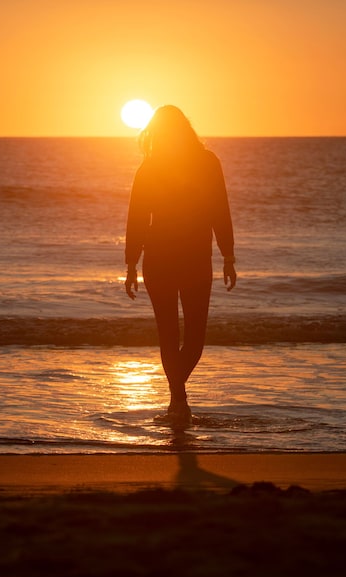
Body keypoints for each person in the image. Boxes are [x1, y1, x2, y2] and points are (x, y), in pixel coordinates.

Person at [124, 105, 236, 426]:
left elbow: (218, 209)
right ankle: (179, 401)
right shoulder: (197, 163)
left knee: (176, 337)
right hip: (184, 258)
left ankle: (177, 399)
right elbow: (137, 217)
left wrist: (132, 264)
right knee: (184, 336)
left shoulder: (160, 166)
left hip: (171, 259)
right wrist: (131, 263)